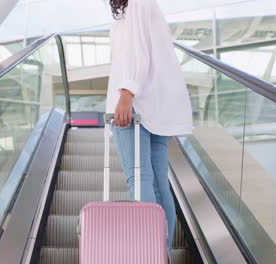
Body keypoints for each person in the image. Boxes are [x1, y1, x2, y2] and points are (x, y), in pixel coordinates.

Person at [106, 0, 194, 253]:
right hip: (157, 105)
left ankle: (146, 252)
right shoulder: (145, 4)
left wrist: (126, 93)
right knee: (157, 182)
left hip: (135, 102)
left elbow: (137, 52)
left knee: (140, 178)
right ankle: (160, 252)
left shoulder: (136, 3)